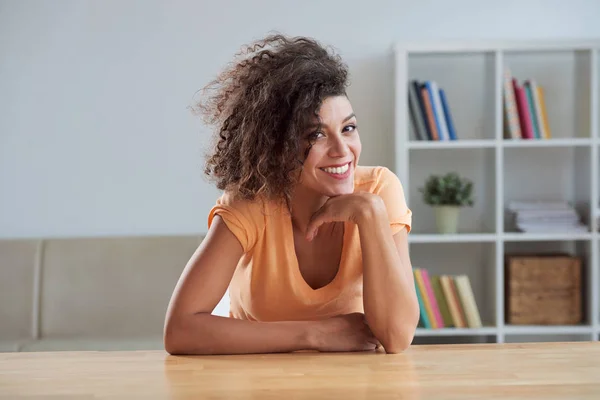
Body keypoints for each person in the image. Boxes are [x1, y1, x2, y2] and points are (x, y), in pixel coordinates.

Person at [163, 34, 419, 355]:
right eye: (316, 134)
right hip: (260, 383)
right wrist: (315, 335)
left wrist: (369, 214)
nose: (343, 151)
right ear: (277, 147)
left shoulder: (378, 190)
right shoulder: (251, 205)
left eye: (348, 128)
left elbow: (396, 338)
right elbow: (180, 330)